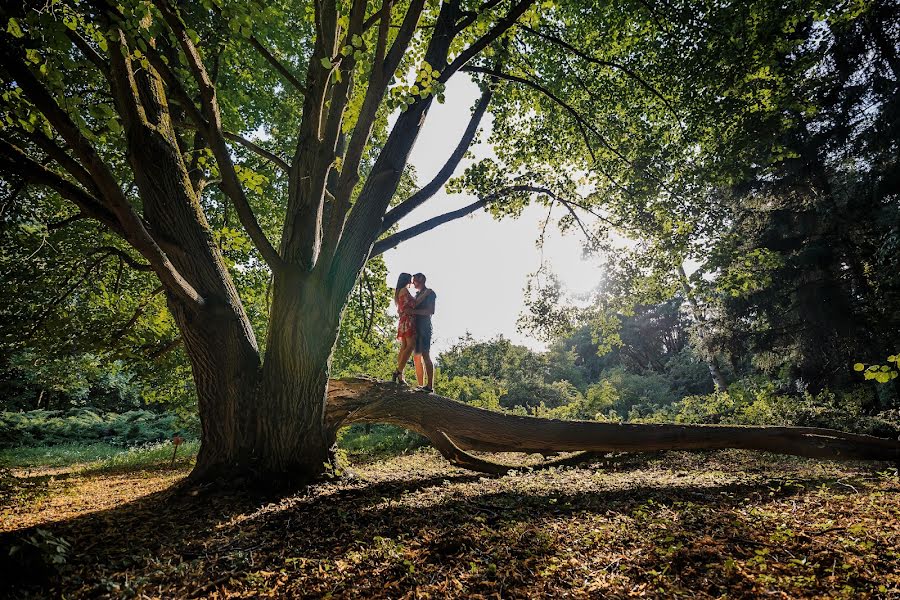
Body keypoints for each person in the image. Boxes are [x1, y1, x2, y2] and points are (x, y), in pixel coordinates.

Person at [407, 273, 436, 392]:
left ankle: (429, 386)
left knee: (425, 355)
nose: (413, 283)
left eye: (415, 281)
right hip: (416, 328)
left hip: (424, 328)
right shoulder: (418, 294)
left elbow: (430, 311)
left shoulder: (430, 293)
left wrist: (414, 312)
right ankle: (421, 385)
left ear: (422, 281)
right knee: (417, 357)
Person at [392, 273, 416, 384]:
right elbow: (408, 306)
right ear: (407, 280)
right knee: (411, 346)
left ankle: (400, 375)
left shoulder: (398, 292)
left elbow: (399, 309)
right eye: (411, 280)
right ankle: (399, 371)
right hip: (408, 320)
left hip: (403, 320)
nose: (412, 282)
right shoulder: (404, 290)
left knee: (404, 346)